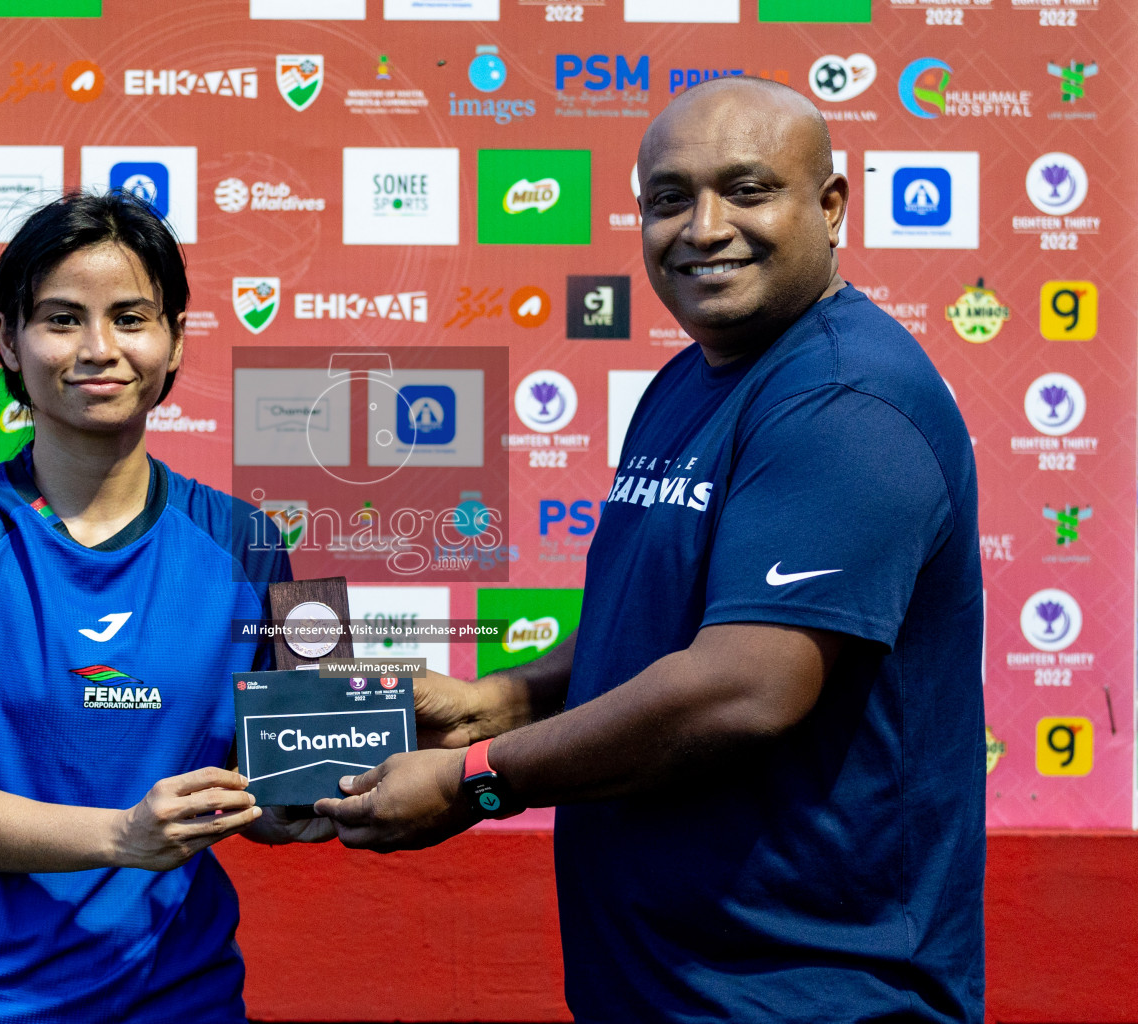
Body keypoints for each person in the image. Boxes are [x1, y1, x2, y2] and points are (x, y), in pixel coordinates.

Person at [316, 77, 985, 1023]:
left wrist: (479, 780)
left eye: (748, 190)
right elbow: (660, 632)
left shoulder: (845, 401)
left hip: (809, 993)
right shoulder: (691, 377)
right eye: (670, 199)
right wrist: (498, 698)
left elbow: (745, 685)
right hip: (662, 980)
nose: (704, 228)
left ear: (831, 208)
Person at [0, 189, 328, 1024]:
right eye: (63, 319)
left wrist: (335, 783)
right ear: (8, 337)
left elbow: (288, 787)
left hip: (185, 1001)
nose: (100, 350)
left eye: (133, 318)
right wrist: (121, 837)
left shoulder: (249, 538)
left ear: (176, 337)